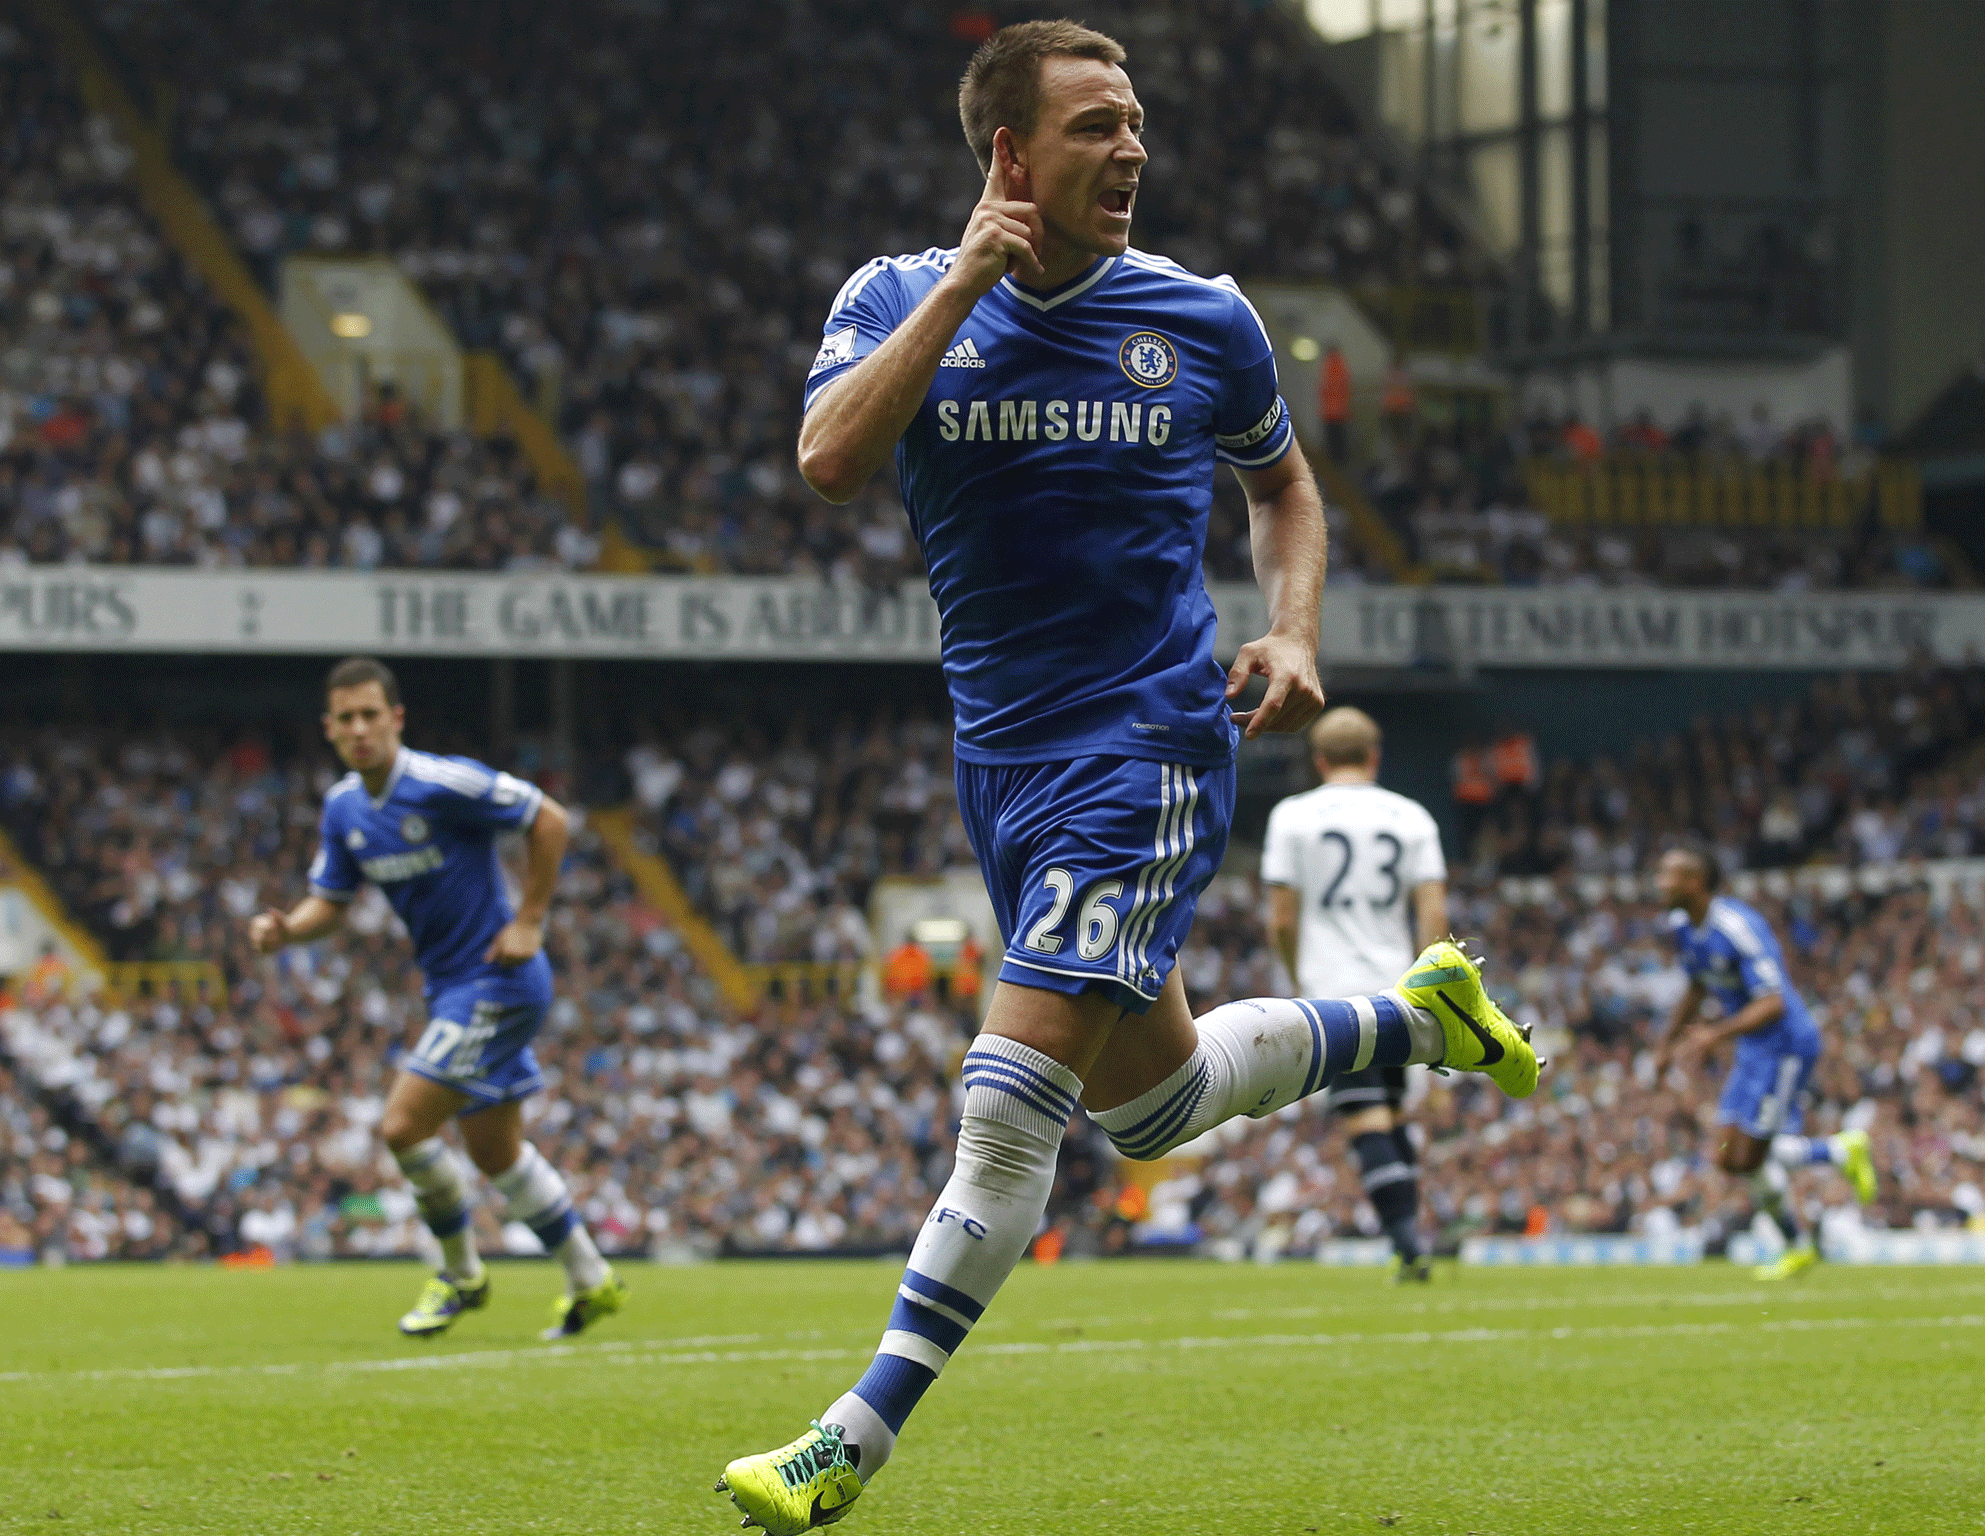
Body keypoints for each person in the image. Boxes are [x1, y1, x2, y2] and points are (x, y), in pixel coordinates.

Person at [713, 21, 1540, 1533]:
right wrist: (967, 280)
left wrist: (1290, 633)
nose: (1135, 149)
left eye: (1139, 122)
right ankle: (1411, 1020)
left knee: (1009, 1103)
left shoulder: (1201, 319)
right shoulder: (895, 296)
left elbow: (1283, 484)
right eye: (1097, 125)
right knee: (1152, 1113)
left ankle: (851, 1440)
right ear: (1009, 157)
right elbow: (829, 458)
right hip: (1001, 762)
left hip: (1149, 745)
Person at [248, 657, 625, 1338]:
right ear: (329, 729)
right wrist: (286, 929)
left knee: (402, 1126)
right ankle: (592, 1277)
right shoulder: (344, 808)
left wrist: (531, 918)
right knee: (495, 1154)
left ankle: (460, 1275)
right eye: (347, 718)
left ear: (396, 719)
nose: (360, 729)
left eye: (372, 715)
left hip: (499, 980)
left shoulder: (439, 782)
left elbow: (549, 817)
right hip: (452, 988)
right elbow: (329, 904)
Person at [1262, 707, 1449, 1281]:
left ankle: (1409, 1245)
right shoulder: (1412, 817)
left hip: (1333, 995)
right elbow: (1434, 917)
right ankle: (1412, 1239)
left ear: (1318, 760)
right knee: (1389, 1116)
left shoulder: (1293, 817)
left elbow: (1281, 921)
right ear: (1376, 756)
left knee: (1366, 1119)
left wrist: (1298, 978)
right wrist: (1432, 999)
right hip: (1399, 990)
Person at [1649, 841, 1875, 1281]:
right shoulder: (1681, 926)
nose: (1660, 883)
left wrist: (1716, 1033)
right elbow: (1697, 986)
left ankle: (1834, 1164)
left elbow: (1773, 1002)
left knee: (1750, 1154)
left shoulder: (1737, 927)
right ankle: (1820, 1188)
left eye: (1669, 875)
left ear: (1695, 883)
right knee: (1729, 1158)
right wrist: (1666, 1045)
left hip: (1785, 1044)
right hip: (1753, 1047)